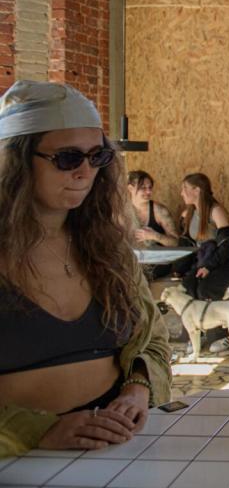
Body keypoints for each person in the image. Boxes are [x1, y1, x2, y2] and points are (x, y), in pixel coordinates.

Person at [0, 80, 171, 456]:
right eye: (67, 158)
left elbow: (151, 340)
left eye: (97, 157)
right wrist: (37, 430)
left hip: (112, 450)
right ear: (16, 160)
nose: (85, 172)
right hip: (18, 458)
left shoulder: (108, 251)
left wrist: (137, 391)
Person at [173, 173, 229, 355]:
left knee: (206, 288)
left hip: (223, 263)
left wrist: (209, 266)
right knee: (188, 286)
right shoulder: (190, 212)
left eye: (185, 189)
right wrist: (180, 269)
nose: (182, 193)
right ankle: (196, 331)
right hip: (203, 262)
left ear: (197, 190)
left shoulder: (215, 211)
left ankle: (222, 335)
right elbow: (188, 245)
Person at [127, 170, 179, 248]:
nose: (148, 191)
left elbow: (175, 242)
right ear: (130, 188)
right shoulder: (122, 211)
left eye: (150, 187)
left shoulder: (160, 211)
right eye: (143, 188)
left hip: (158, 257)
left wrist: (155, 236)